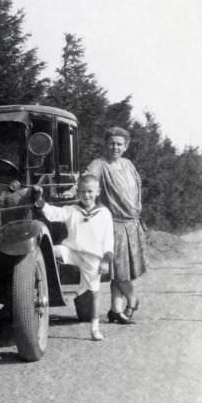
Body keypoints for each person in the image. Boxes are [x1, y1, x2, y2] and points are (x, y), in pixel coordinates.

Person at [33, 173, 113, 341]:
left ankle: (95, 327)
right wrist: (39, 199)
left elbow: (109, 240)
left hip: (93, 257)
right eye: (83, 192)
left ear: (98, 192)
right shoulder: (72, 210)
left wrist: (106, 260)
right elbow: (52, 213)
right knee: (48, 251)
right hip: (72, 251)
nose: (87, 195)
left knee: (94, 292)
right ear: (78, 192)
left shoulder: (104, 213)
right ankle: (34, 282)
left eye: (90, 191)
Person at [85, 127, 146, 324]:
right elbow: (87, 180)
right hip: (114, 225)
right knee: (120, 271)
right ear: (105, 144)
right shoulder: (99, 164)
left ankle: (115, 310)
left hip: (132, 224)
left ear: (126, 146)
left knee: (122, 272)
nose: (115, 147)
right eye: (112, 143)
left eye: (120, 144)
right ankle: (133, 300)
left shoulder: (128, 164)